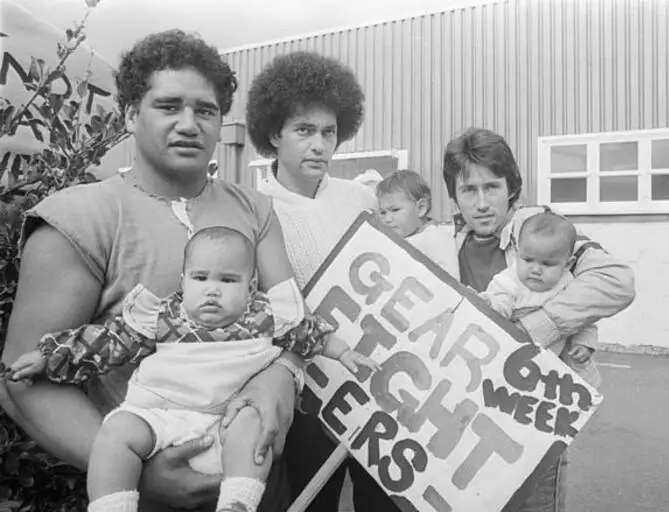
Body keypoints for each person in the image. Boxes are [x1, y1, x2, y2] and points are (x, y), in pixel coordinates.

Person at [0, 30, 303, 512]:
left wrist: (279, 377)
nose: (189, 123)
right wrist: (143, 474)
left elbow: (292, 324)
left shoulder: (255, 210)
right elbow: (22, 381)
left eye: (205, 110)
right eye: (168, 106)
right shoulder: (80, 217)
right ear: (128, 115)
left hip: (259, 486)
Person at [7, 226, 378, 512]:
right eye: (201, 278)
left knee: (254, 424)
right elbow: (105, 342)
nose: (212, 290)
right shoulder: (163, 316)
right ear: (183, 282)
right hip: (161, 415)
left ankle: (238, 501)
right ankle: (111, 504)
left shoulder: (266, 316)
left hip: (225, 422)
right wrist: (50, 357)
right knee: (116, 431)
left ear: (250, 287)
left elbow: (309, 334)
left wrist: (344, 352)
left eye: (227, 280)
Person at [443, 127, 635, 511]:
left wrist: (532, 330)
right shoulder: (449, 243)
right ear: (454, 196)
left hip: (539, 408)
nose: (482, 203)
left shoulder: (541, 229)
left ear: (511, 188)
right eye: (469, 190)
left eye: (492, 187)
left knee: (535, 502)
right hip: (479, 411)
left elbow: (616, 281)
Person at [245, 51, 401, 512]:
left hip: (375, 381)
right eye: (304, 130)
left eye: (329, 132)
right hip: (307, 393)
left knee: (385, 503)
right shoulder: (256, 210)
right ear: (274, 134)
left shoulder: (360, 198)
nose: (319, 145)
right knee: (314, 504)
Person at [479, 211, 602, 388]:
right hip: (517, 361)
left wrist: (584, 344)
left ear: (567, 264)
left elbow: (584, 317)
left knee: (569, 394)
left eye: (547, 264)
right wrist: (491, 304)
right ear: (516, 254)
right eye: (528, 260)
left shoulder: (568, 284)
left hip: (558, 363)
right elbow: (501, 303)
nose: (536, 269)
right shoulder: (509, 280)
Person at [376, 169, 460, 279]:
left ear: (421, 208)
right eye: (382, 212)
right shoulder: (386, 243)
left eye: (395, 210)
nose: (387, 219)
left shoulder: (437, 239)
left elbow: (450, 284)